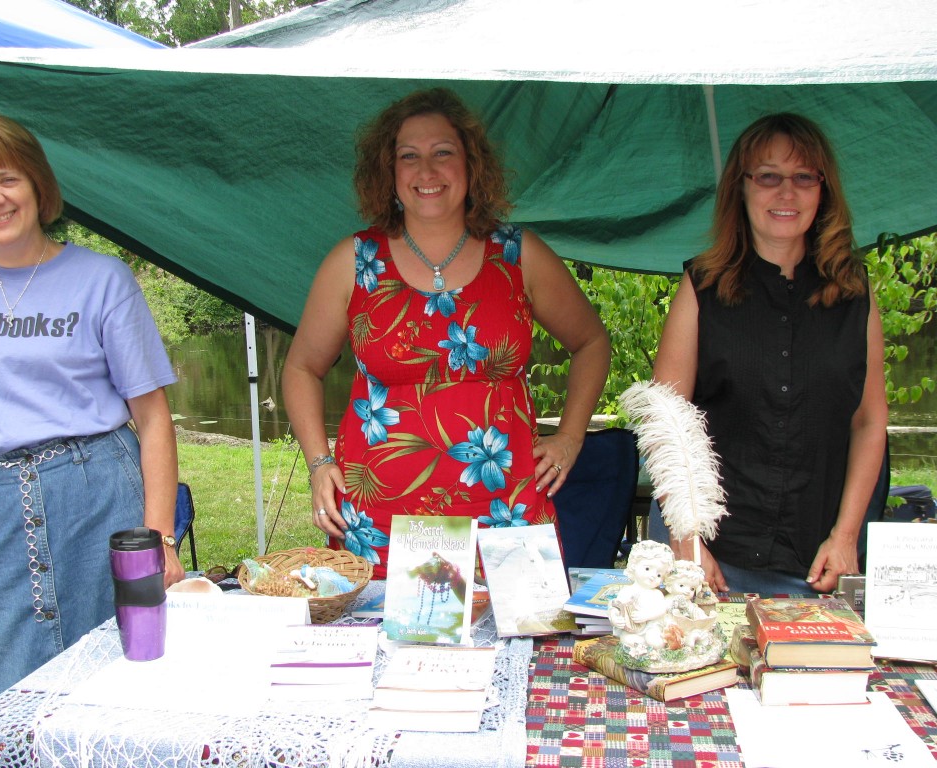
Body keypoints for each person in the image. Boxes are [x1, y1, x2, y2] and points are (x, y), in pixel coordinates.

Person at [0, 112, 183, 714]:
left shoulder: (102, 280)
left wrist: (159, 540)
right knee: (1, 698)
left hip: (97, 497)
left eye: (7, 178)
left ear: (37, 184)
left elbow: (153, 418)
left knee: (119, 690)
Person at [282, 88, 610, 579]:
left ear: (471, 164)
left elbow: (591, 343)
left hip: (506, 510)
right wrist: (317, 463)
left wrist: (569, 437)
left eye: (443, 153)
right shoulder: (352, 261)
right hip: (379, 520)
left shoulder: (519, 255)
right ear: (388, 172)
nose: (427, 171)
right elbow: (302, 368)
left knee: (521, 629)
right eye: (408, 156)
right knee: (380, 631)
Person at [651, 113, 888, 596]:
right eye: (768, 176)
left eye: (803, 177)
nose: (787, 193)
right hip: (709, 559)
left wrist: (846, 537)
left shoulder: (854, 292)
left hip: (819, 559)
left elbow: (869, 422)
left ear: (823, 189)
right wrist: (686, 538)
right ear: (741, 188)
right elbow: (665, 423)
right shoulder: (701, 287)